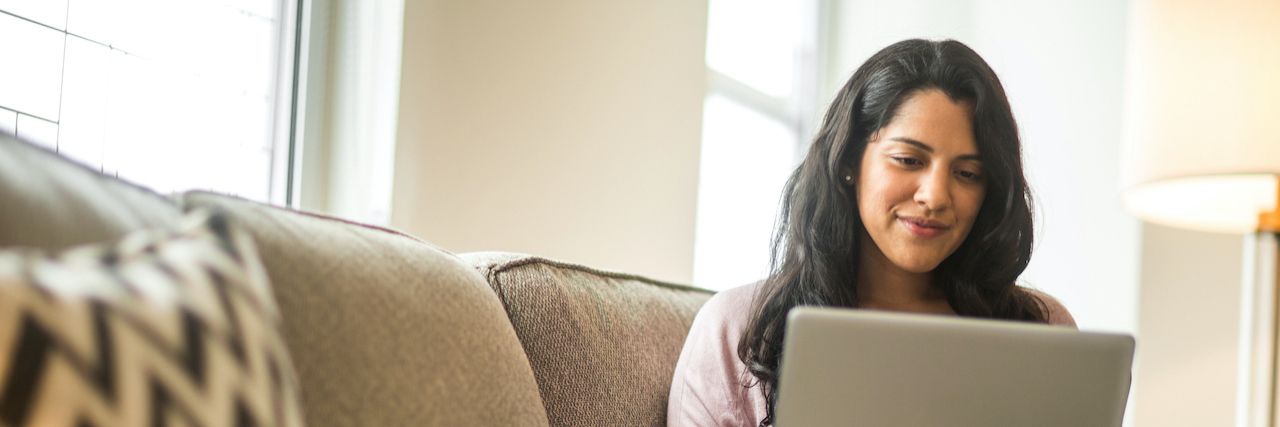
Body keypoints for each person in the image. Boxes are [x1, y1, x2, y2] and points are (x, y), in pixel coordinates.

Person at [665, 39, 1076, 427]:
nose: (934, 196)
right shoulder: (737, 330)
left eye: (968, 173)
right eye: (908, 159)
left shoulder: (1042, 331)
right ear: (849, 161)